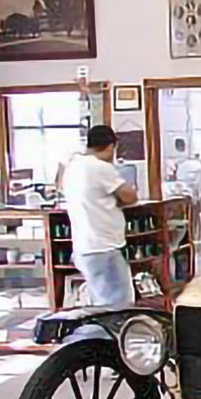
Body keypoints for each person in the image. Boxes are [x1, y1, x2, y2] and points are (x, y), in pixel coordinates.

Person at [63, 125, 138, 307]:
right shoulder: (100, 168)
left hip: (84, 247)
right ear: (111, 146)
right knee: (118, 305)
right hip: (104, 247)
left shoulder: (72, 166)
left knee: (100, 301)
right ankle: (112, 335)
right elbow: (130, 197)